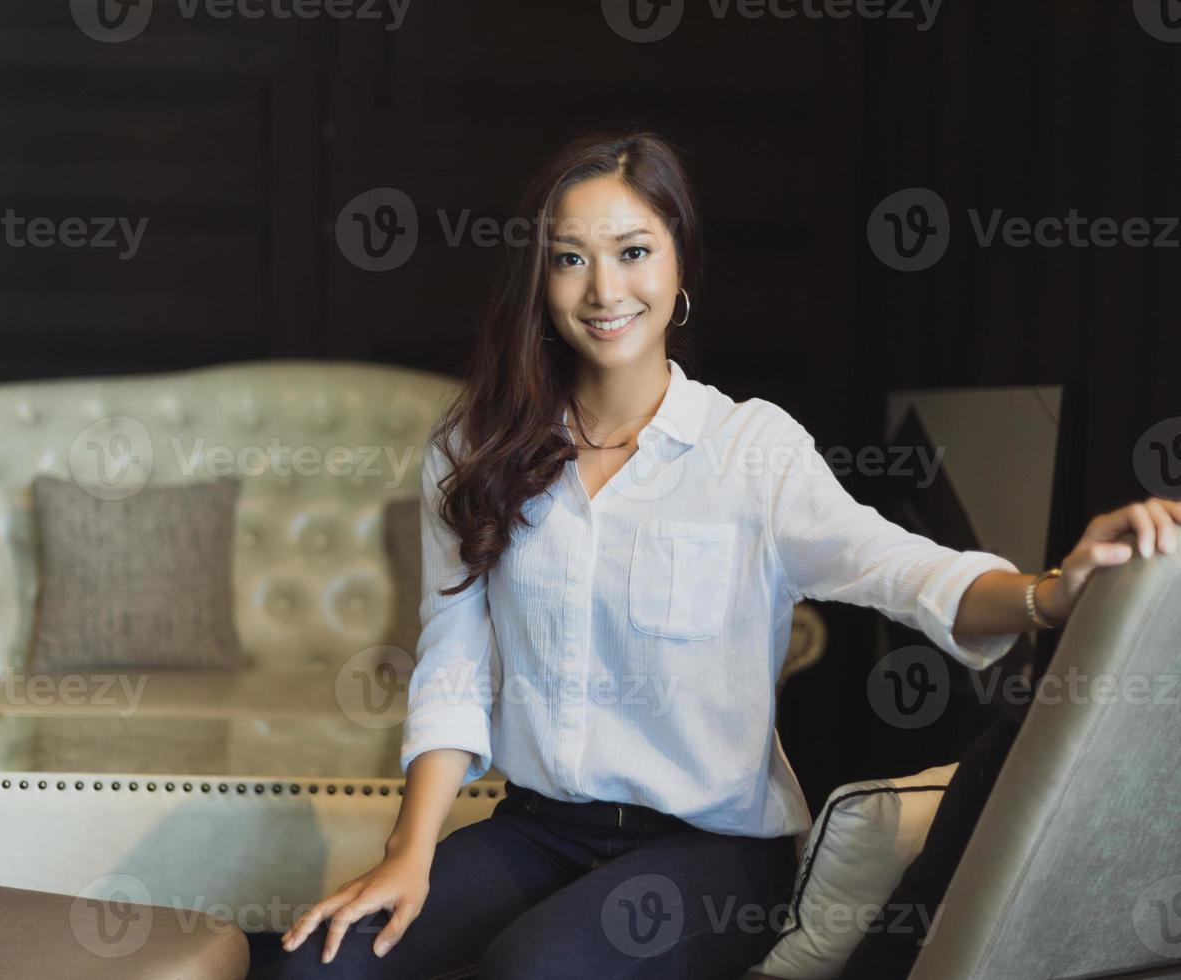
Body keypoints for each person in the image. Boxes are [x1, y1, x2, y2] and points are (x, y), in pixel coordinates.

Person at [265, 129, 1181, 980]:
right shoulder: (478, 449)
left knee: (536, 969)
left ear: (680, 264)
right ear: (538, 281)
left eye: (633, 252)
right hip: (537, 830)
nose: (603, 290)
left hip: (713, 853)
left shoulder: (751, 451)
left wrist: (1050, 594)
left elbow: (901, 568)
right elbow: (454, 665)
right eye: (569, 259)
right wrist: (408, 853)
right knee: (318, 963)